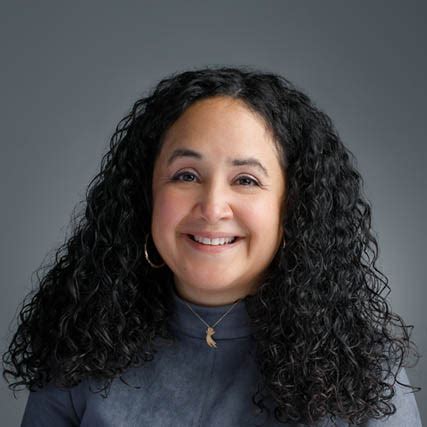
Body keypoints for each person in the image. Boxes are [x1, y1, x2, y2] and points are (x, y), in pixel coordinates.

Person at [2, 66, 422, 426]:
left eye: (246, 180)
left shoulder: (364, 374)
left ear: (293, 207)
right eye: (186, 175)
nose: (212, 207)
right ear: (145, 196)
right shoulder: (78, 350)